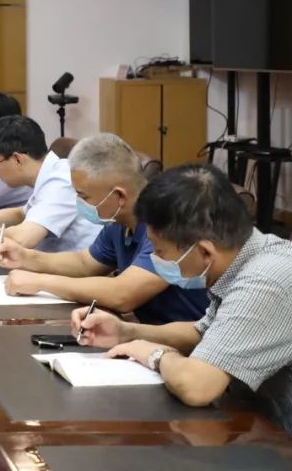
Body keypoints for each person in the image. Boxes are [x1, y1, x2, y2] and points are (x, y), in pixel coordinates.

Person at [73, 165, 292, 433]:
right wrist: (126, 332)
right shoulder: (242, 257)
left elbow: (197, 386)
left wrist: (155, 355)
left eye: (159, 251)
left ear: (205, 252)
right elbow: (204, 332)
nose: (154, 259)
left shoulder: (265, 282)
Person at [0, 133, 208, 324]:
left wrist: (40, 282)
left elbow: (123, 294)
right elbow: (86, 263)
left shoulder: (164, 222)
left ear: (119, 196)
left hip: (192, 342)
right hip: (147, 331)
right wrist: (25, 257)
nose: (78, 202)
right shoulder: (119, 221)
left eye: (83, 196)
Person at [0, 115, 100, 252]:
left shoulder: (61, 180)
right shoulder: (48, 173)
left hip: (73, 273)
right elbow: (20, 214)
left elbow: (25, 238)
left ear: (17, 159)